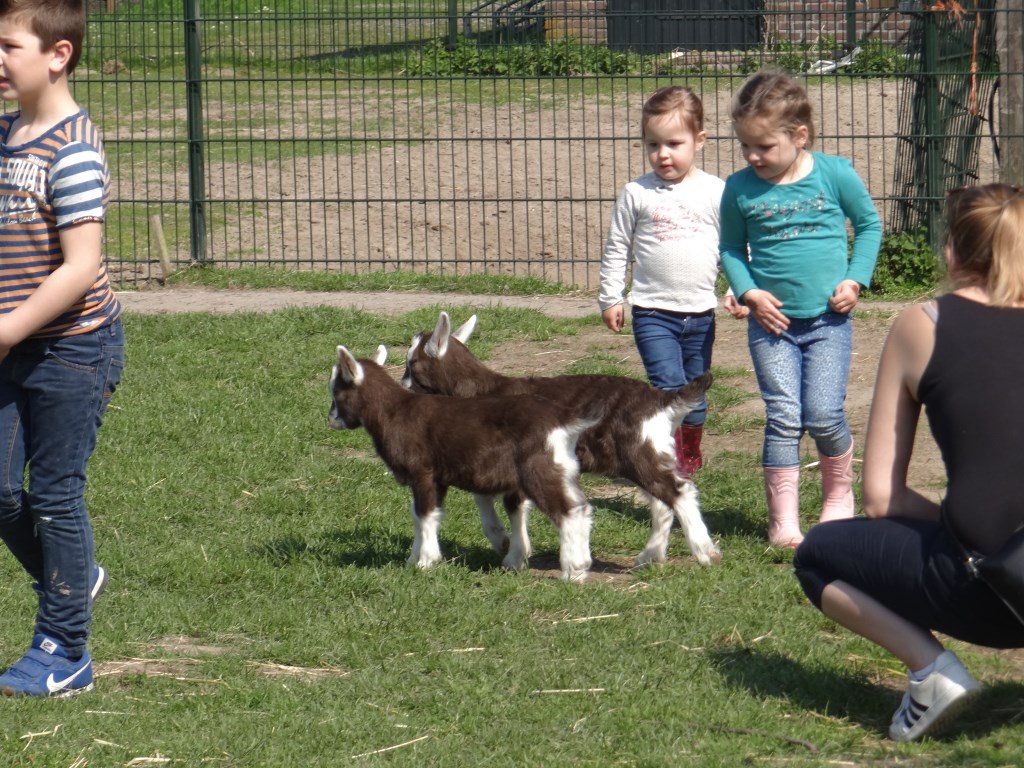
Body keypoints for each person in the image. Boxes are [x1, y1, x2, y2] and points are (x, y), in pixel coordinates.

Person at [793, 183, 1024, 741]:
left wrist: (959, 529)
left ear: (951, 251)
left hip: (991, 590)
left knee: (818, 554)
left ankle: (932, 672)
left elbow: (880, 499)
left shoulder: (924, 323)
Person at [0, 0, 124, 697]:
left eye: (8, 46)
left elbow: (79, 267)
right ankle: (72, 574)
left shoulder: (72, 149)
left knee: (52, 495)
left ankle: (66, 648)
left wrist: (7, 329)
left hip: (74, 351)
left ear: (58, 56)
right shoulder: (5, 135)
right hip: (14, 347)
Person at [719, 69, 881, 547]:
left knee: (824, 414)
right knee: (784, 416)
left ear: (799, 136)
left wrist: (856, 279)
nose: (753, 156)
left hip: (829, 322)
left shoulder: (835, 174)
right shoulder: (739, 188)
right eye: (745, 146)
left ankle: (837, 497)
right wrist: (749, 292)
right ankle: (783, 521)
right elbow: (730, 247)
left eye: (764, 147)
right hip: (773, 326)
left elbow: (869, 225)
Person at [599, 84, 733, 480]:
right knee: (669, 387)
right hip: (652, 310)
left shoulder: (715, 191)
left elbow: (737, 246)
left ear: (700, 141)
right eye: (653, 144)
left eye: (674, 143)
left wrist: (738, 288)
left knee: (696, 393)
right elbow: (617, 247)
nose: (663, 154)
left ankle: (690, 447)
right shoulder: (637, 193)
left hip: (700, 313)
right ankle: (670, 459)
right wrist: (610, 296)